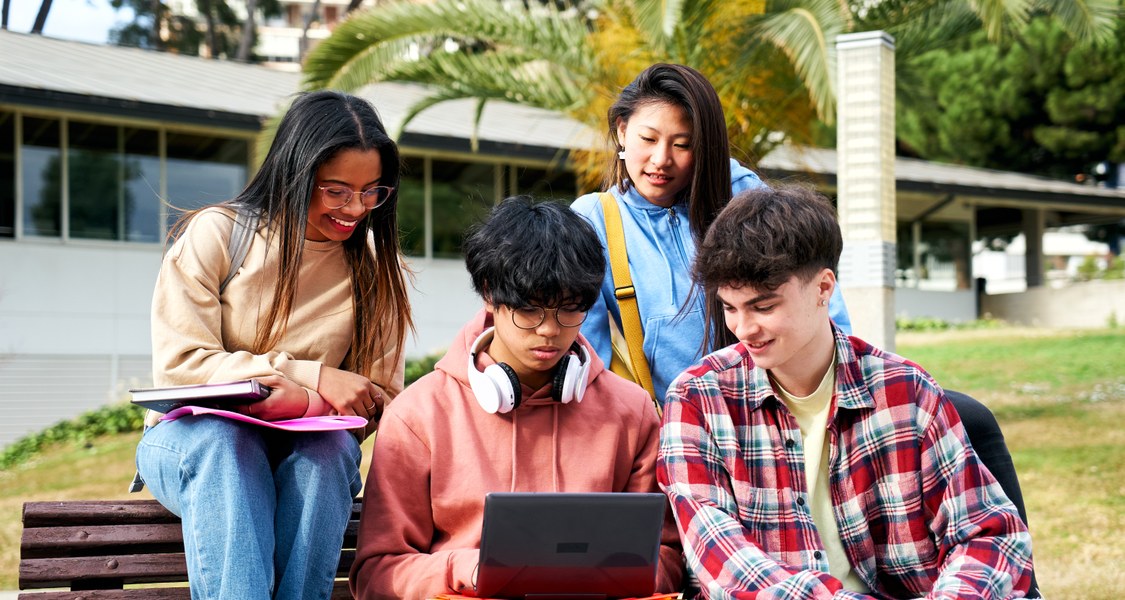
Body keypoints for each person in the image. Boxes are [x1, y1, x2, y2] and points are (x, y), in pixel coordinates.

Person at [658, 185, 1033, 598]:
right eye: (730, 307)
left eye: (763, 307)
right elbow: (721, 558)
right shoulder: (698, 399)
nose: (744, 329)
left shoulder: (906, 392)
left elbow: (988, 535)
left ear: (823, 288)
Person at [133, 90, 413, 600]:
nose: (355, 209)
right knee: (227, 445)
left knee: (328, 453)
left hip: (305, 448)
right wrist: (314, 377)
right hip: (196, 444)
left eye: (373, 191)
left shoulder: (371, 265)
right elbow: (181, 366)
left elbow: (380, 398)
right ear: (296, 172)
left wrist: (304, 404)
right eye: (336, 191)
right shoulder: (219, 234)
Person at [350, 197, 683, 600]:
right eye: (530, 310)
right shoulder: (419, 414)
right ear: (490, 295)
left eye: (568, 310)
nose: (548, 331)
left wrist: (608, 576)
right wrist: (468, 568)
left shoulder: (632, 412)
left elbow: (666, 555)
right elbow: (377, 572)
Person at [571, 62, 852, 404]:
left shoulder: (741, 191)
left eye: (683, 144)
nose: (661, 159)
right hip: (680, 426)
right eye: (648, 138)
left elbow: (821, 304)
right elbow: (586, 355)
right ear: (622, 131)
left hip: (778, 410)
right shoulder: (593, 220)